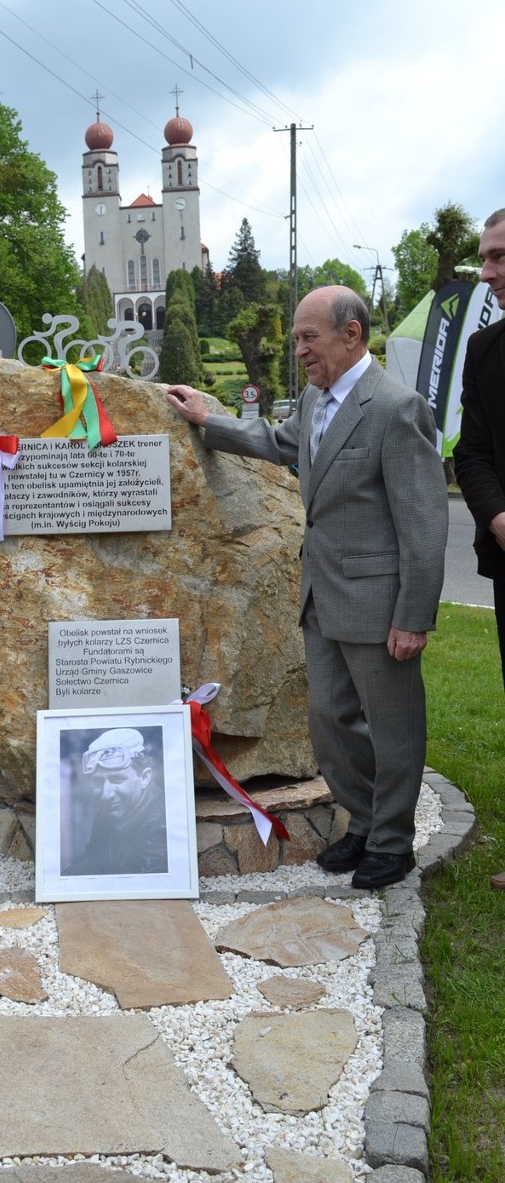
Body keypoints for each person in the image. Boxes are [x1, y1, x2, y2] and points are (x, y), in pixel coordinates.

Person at [166, 285, 448, 890]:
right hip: (320, 596)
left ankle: (393, 843)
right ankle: (366, 823)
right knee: (330, 720)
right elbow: (279, 443)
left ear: (352, 334)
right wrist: (207, 420)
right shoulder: (318, 402)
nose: (299, 349)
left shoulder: (397, 409)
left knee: (393, 726)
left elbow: (424, 526)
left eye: (308, 336)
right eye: (296, 338)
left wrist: (413, 615)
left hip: (379, 604)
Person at [453, 207, 505, 892]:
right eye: (487, 257)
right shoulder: (485, 350)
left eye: (499, 257)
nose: (488, 273)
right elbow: (473, 452)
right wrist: (496, 515)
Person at [63, 727, 168, 876]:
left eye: (117, 779)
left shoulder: (161, 826)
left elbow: (138, 887)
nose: (106, 794)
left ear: (144, 777)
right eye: (98, 781)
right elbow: (89, 863)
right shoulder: (108, 813)